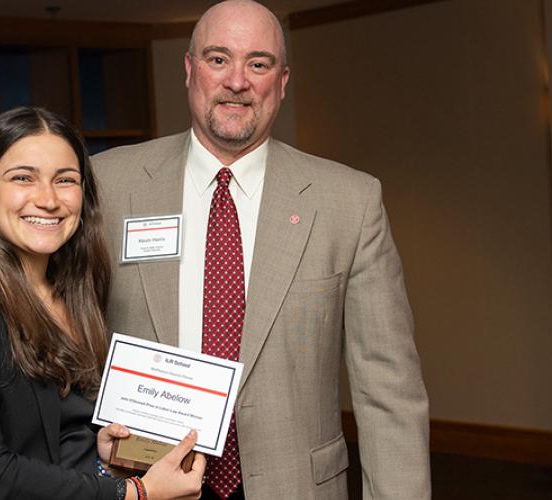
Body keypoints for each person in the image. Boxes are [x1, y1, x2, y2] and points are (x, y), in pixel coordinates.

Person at [92, 1, 430, 499]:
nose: (237, 81)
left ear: (283, 80)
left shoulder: (349, 202)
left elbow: (389, 391)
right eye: (217, 58)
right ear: (189, 70)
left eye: (258, 63)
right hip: (144, 483)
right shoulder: (109, 183)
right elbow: (64, 346)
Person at [0, 107, 205, 500]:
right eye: (23, 178)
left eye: (66, 180)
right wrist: (135, 494)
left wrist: (101, 459)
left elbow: (52, 443)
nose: (48, 199)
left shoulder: (77, 291)